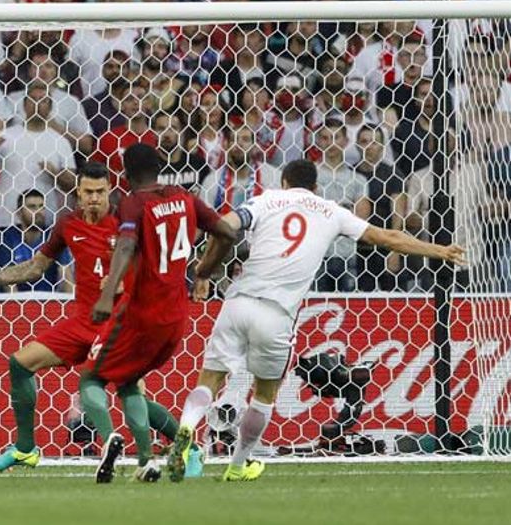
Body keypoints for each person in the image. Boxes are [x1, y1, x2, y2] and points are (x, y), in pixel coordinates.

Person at [171, 159, 466, 483]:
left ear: (283, 182)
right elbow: (388, 237)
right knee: (263, 395)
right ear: (315, 187)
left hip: (238, 302)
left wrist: (203, 268)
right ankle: (239, 465)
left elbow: (225, 223)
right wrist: (439, 251)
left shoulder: (266, 199)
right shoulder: (331, 210)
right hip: (277, 315)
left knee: (210, 379)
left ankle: (185, 430)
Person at [0, 162, 202, 477]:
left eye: (100, 192)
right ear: (78, 193)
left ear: (109, 190)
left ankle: (191, 448)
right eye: (88, 193)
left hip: (122, 324)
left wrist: (127, 283)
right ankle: (26, 449)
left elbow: (160, 261)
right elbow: (36, 268)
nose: (94, 198)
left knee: (130, 392)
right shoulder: (68, 224)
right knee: (20, 362)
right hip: (83, 321)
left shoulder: (129, 220)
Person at [82, 144, 236, 484]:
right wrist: (204, 271)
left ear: (125, 174)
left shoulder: (133, 203)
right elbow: (227, 232)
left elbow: (125, 246)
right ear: (160, 167)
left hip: (141, 313)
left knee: (91, 378)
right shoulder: (185, 197)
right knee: (127, 383)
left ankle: (112, 440)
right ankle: (148, 460)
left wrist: (107, 295)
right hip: (177, 318)